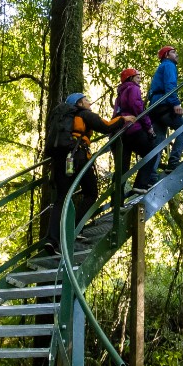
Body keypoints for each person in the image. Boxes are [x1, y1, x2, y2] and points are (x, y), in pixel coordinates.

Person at [46, 92, 124, 250]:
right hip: (78, 156)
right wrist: (123, 119)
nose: (89, 103)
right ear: (79, 104)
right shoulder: (83, 114)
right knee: (91, 192)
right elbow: (106, 126)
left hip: (60, 159)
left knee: (61, 199)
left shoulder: (62, 119)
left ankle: (52, 240)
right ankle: (74, 228)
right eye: (86, 100)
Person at [148, 45, 183, 171]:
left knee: (158, 143)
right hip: (164, 105)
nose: (176, 54)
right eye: (173, 52)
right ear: (166, 55)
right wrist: (176, 103)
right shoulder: (168, 65)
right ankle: (173, 163)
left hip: (155, 108)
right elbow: (170, 86)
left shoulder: (161, 67)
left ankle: (150, 175)